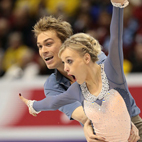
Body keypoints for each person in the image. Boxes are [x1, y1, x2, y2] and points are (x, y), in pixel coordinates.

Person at [19, 0, 142, 141]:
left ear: (65, 42)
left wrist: (126, 123)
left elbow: (117, 87)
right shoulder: (52, 85)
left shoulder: (94, 56)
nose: (43, 51)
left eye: (48, 44)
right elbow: (82, 115)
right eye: (40, 46)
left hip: (134, 127)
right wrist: (89, 129)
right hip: (102, 135)